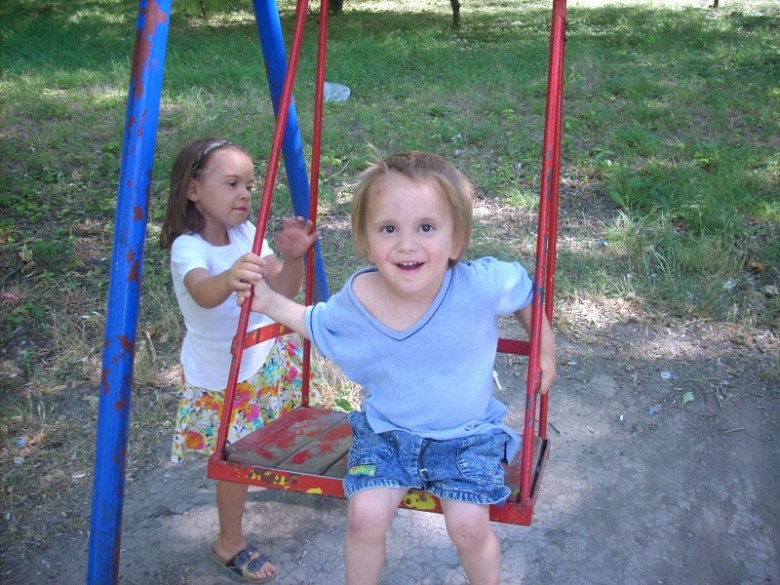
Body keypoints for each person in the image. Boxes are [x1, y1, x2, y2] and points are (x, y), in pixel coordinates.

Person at [238, 150, 557, 585]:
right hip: (387, 434)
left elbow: (524, 290)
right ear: (367, 242)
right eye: (389, 229)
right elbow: (317, 322)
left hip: (466, 436)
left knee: (468, 525)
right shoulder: (361, 295)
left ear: (456, 241)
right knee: (364, 515)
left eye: (426, 227)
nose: (407, 244)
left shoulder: (477, 285)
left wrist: (545, 347)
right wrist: (269, 301)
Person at [160, 138, 320, 583]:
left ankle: (266, 472)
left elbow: (282, 292)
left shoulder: (245, 233)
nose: (245, 194)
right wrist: (229, 277)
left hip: (259, 360)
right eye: (232, 184)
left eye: (249, 185)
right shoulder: (188, 248)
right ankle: (228, 542)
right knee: (234, 462)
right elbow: (203, 293)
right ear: (194, 190)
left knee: (262, 438)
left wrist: (293, 258)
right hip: (221, 377)